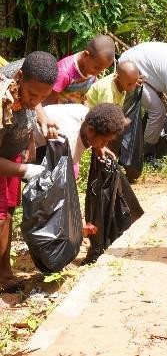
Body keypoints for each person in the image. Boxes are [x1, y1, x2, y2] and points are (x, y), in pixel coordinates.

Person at [0, 52, 58, 293]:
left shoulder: (26, 72)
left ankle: (3, 270)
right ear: (19, 78)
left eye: (43, 96)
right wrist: (25, 170)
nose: (36, 100)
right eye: (33, 95)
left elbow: (37, 98)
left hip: (9, 151)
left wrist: (39, 121)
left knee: (8, 212)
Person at [33, 103, 127, 176]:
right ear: (90, 130)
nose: (105, 145)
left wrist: (99, 146)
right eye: (103, 141)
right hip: (30, 145)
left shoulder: (88, 115)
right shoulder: (66, 139)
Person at [44, 34, 116, 105]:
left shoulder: (92, 66)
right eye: (97, 68)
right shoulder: (64, 73)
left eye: (102, 70)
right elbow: (48, 103)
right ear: (85, 55)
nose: (97, 73)